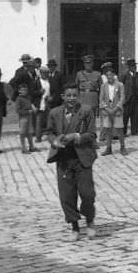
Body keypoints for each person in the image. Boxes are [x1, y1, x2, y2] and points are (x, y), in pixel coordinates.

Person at [44, 84, 98, 241]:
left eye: (74, 95)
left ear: (79, 96)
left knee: (87, 193)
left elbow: (92, 134)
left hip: (83, 159)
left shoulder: (86, 111)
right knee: (67, 195)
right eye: (68, 95)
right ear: (62, 96)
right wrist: (55, 142)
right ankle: (74, 227)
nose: (71, 99)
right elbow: (49, 132)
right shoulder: (55, 113)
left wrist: (76, 136)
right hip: (64, 159)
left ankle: (90, 222)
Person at [99, 70, 126, 156]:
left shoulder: (120, 85)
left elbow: (122, 98)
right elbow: (101, 99)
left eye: (111, 75)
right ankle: (108, 148)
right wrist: (106, 108)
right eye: (107, 75)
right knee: (108, 129)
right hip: (107, 111)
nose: (109, 77)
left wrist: (116, 108)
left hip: (117, 110)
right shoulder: (103, 86)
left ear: (114, 75)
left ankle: (122, 147)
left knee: (119, 129)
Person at [75, 54, 101, 119]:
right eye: (86, 63)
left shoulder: (98, 74)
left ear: (93, 64)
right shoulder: (79, 74)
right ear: (84, 64)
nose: (88, 65)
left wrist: (100, 101)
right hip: (83, 98)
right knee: (82, 119)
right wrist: (77, 99)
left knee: (92, 119)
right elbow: (76, 88)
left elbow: (101, 89)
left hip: (93, 99)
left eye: (90, 63)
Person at [15, 83, 39, 154]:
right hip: (23, 118)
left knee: (30, 132)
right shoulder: (18, 99)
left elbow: (30, 104)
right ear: (19, 91)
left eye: (25, 90)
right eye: (22, 90)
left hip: (30, 117)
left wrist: (33, 108)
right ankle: (23, 148)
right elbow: (18, 110)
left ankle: (31, 146)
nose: (24, 91)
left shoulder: (28, 97)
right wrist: (27, 111)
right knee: (22, 132)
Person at [120, 59, 138, 136]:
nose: (134, 67)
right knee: (125, 116)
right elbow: (120, 86)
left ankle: (134, 131)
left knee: (135, 115)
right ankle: (123, 132)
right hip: (127, 98)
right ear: (128, 67)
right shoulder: (124, 74)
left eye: (135, 65)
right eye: (132, 66)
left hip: (135, 97)